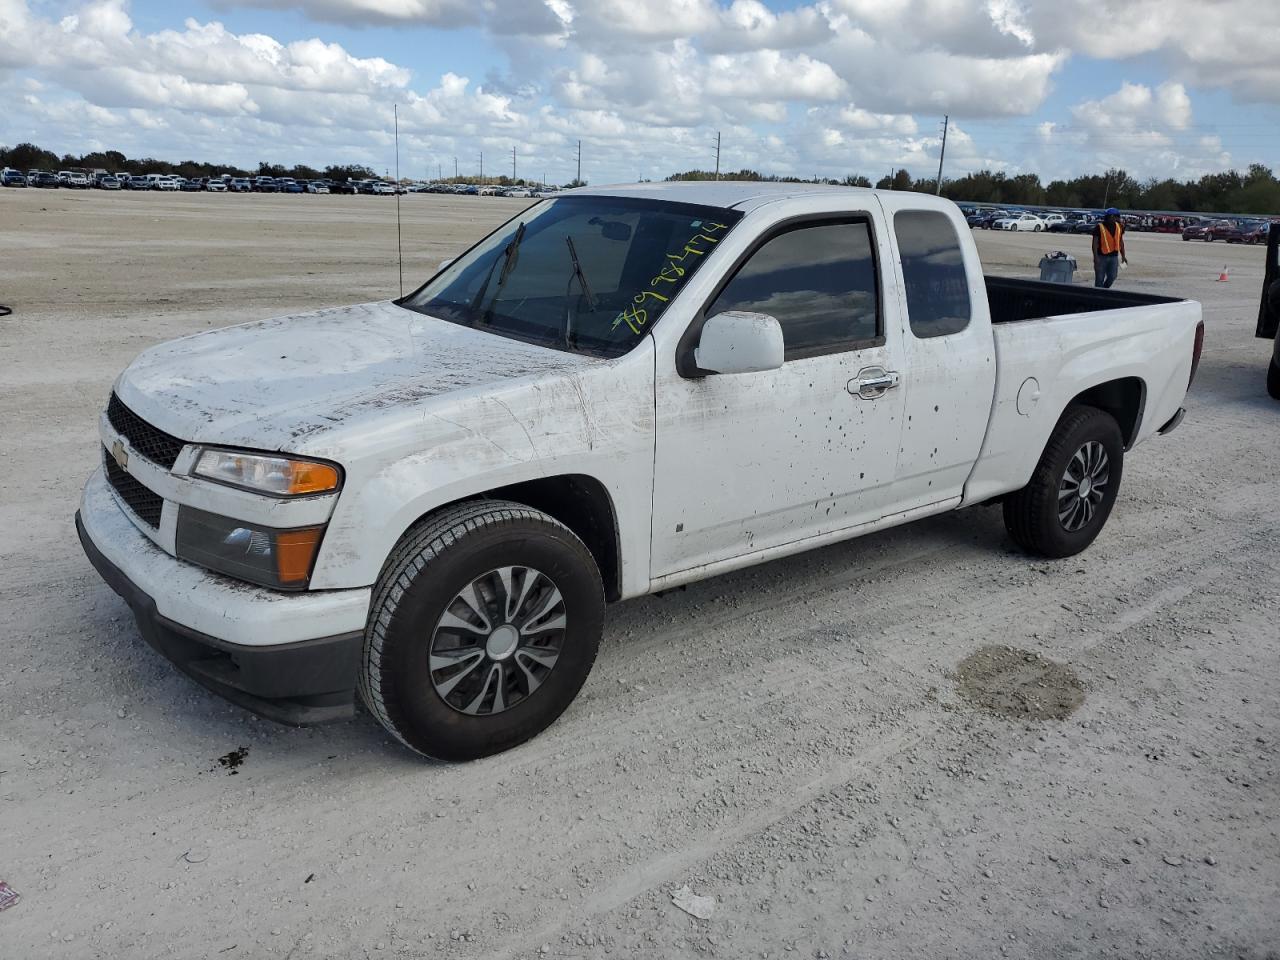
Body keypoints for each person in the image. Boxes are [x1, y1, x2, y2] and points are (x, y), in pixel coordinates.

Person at [1092, 208, 1127, 288]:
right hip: (1101, 257)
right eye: (1117, 216)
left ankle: (1104, 290)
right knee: (1099, 278)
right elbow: (1094, 243)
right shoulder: (1099, 227)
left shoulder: (1119, 227)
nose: (1118, 218)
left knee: (1112, 276)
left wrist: (1123, 256)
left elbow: (1121, 242)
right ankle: (1098, 294)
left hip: (1114, 257)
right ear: (1111, 216)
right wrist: (1095, 257)